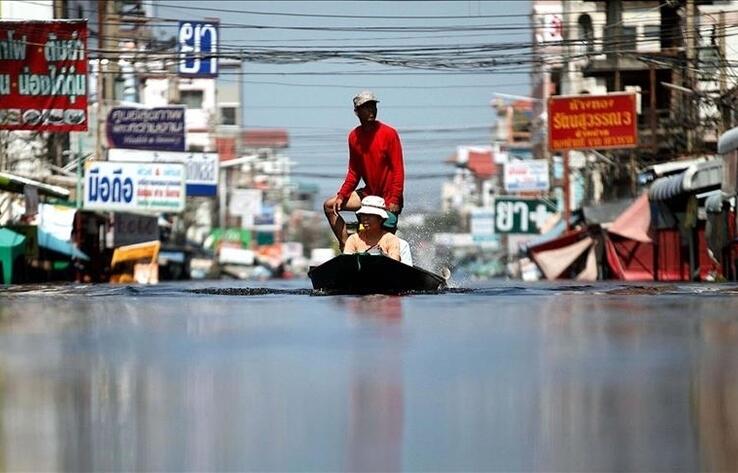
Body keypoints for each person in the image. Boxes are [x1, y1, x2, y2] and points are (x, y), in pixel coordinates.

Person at [324, 90, 405, 249]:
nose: (371, 110)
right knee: (329, 205)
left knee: (380, 245)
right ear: (357, 112)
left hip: (388, 199)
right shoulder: (354, 137)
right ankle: (347, 247)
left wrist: (394, 199)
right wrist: (342, 195)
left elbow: (398, 170)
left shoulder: (389, 133)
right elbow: (354, 172)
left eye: (373, 106)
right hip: (368, 195)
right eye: (366, 107)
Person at [343, 196, 401, 261]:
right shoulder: (353, 239)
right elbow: (347, 263)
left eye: (370, 215)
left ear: (380, 219)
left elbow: (394, 264)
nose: (365, 218)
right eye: (363, 215)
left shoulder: (391, 239)